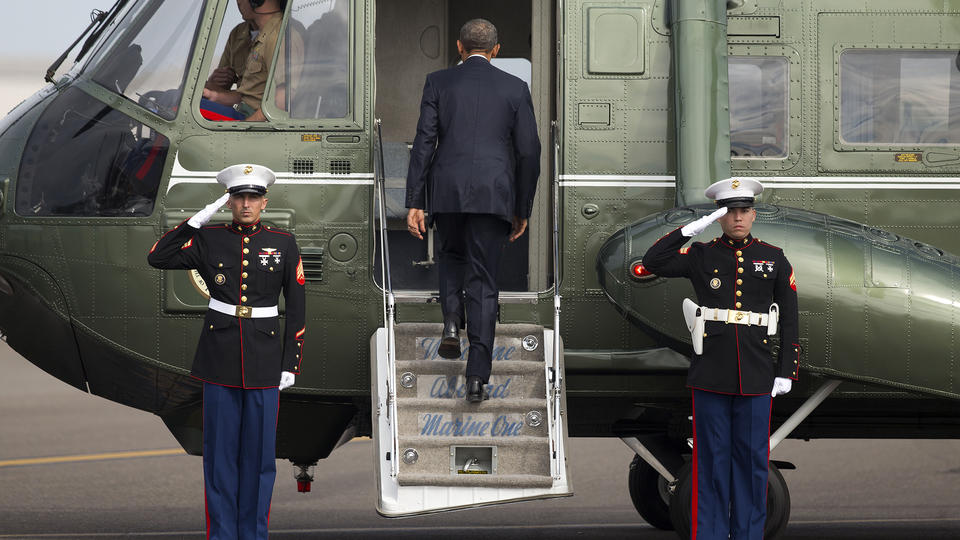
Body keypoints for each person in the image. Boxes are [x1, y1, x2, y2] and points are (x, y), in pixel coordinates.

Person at [147, 164, 306, 540]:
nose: (246, 204)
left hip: (266, 362)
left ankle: (253, 534)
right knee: (219, 460)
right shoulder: (209, 238)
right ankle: (221, 534)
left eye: (253, 197)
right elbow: (158, 256)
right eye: (238, 198)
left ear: (264, 202)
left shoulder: (283, 243)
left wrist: (291, 362)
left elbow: (297, 305)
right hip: (218, 360)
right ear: (229, 202)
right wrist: (198, 219)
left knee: (259, 461)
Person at [641, 178, 799, 540]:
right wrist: (690, 230)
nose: (738, 218)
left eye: (744, 211)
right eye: (729, 212)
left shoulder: (773, 258)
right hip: (711, 373)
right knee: (710, 465)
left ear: (754, 215)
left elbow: (790, 316)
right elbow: (654, 261)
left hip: (758, 375)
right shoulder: (702, 255)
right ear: (721, 217)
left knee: (752, 466)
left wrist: (786, 369)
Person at [405, 18, 541, 403]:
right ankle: (477, 377)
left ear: (460, 48)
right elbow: (529, 152)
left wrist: (415, 199)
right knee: (484, 279)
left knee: (450, 257)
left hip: (446, 192)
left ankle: (451, 322)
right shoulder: (515, 88)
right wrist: (522, 206)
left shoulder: (438, 82)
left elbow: (424, 142)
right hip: (494, 196)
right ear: (496, 50)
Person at [202, 0, 301, 121]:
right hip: (239, 109)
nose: (238, 2)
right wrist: (214, 93)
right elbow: (246, 94)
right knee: (180, 99)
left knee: (175, 103)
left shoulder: (280, 38)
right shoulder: (244, 33)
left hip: (250, 118)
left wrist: (243, 128)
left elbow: (281, 102)